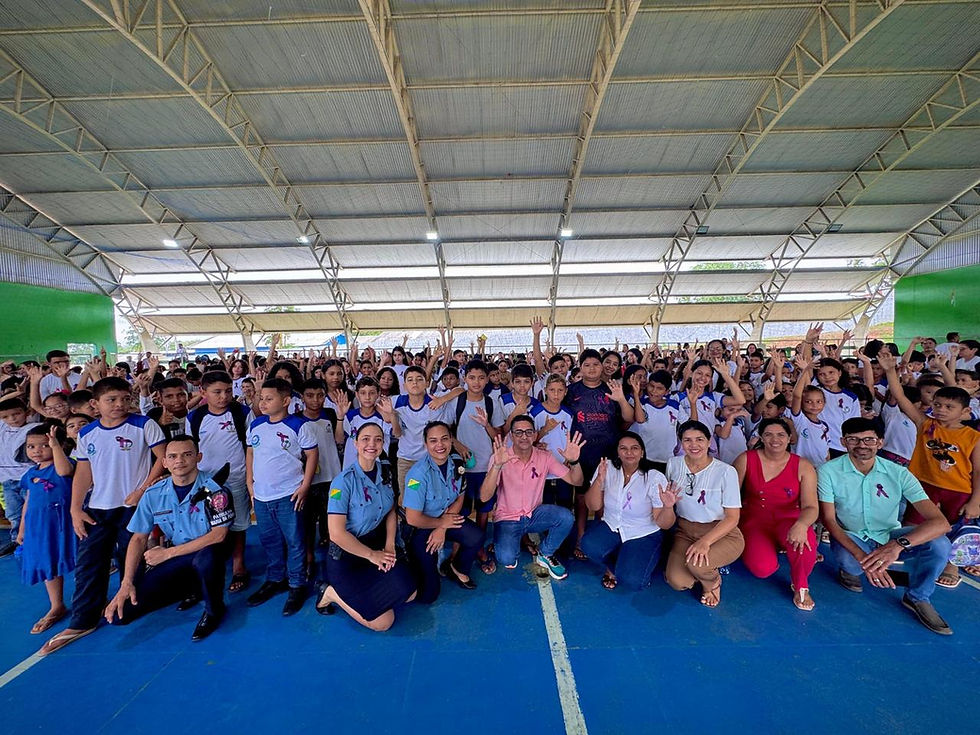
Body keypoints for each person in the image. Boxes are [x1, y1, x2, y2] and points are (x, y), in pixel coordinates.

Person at [40, 376, 166, 656]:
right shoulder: (87, 434)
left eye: (124, 398)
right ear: (95, 405)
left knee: (130, 561)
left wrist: (142, 490)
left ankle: (131, 603)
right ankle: (83, 619)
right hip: (98, 507)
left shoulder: (144, 425)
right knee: (89, 563)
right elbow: (83, 472)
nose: (119, 405)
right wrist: (76, 508)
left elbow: (163, 457)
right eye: (111, 400)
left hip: (133, 505)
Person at [818, 417, 954, 635]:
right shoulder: (828, 471)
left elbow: (941, 523)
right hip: (852, 536)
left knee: (940, 544)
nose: (862, 445)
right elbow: (829, 520)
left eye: (869, 439)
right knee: (848, 561)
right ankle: (855, 569)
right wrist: (864, 559)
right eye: (854, 439)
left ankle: (917, 596)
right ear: (843, 442)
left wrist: (897, 546)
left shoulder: (899, 472)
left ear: (880, 442)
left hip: (889, 535)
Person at [103, 435, 234, 641]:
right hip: (178, 555)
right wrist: (126, 583)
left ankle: (214, 610)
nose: (179, 461)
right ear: (164, 462)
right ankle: (192, 587)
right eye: (172, 456)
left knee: (206, 559)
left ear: (198, 457)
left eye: (187, 455)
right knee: (122, 616)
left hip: (209, 550)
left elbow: (219, 535)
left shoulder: (215, 490)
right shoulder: (153, 493)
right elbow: (138, 539)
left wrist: (167, 553)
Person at [878, 350, 979, 588]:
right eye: (938, 404)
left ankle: (951, 565)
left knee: (955, 529)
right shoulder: (925, 423)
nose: (941, 409)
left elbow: (978, 471)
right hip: (922, 486)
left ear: (965, 412)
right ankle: (912, 564)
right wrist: (891, 370)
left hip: (957, 490)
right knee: (914, 526)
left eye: (949, 406)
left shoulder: (973, 437)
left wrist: (976, 500)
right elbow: (901, 397)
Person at [316, 423, 416, 631]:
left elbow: (390, 509)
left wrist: (389, 545)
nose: (372, 444)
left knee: (410, 592)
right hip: (348, 558)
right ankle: (331, 593)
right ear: (355, 444)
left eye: (378, 439)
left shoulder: (385, 472)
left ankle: (370, 592)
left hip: (377, 548)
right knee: (383, 623)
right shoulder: (342, 483)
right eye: (365, 439)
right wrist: (372, 555)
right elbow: (336, 533)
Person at [245, 378, 318, 616]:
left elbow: (312, 455)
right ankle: (276, 578)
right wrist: (250, 482)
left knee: (295, 540)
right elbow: (250, 453)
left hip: (289, 495)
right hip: (262, 496)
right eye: (261, 398)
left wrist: (305, 485)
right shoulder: (256, 425)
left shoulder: (298, 426)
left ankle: (297, 584)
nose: (263, 403)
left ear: (285, 401)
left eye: (269, 398)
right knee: (269, 539)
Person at [480, 416, 586, 579]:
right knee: (507, 559)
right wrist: (497, 466)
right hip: (508, 518)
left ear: (535, 435)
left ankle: (546, 553)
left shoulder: (545, 457)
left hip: (534, 514)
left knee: (565, 517)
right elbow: (484, 496)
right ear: (511, 436)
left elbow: (576, 481)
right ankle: (505, 540)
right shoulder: (500, 458)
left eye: (529, 432)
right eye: (519, 432)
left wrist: (575, 462)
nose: (524, 436)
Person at [733, 418, 819, 611]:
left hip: (789, 520)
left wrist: (802, 525)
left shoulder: (803, 466)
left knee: (804, 547)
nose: (775, 439)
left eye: (781, 435)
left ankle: (801, 585)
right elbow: (730, 495)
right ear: (761, 437)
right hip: (754, 521)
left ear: (789, 438)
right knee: (763, 569)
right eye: (769, 434)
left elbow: (811, 506)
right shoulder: (746, 458)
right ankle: (773, 548)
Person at [581, 432, 677, 590]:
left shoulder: (654, 477)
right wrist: (599, 480)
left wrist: (668, 506)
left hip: (642, 532)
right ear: (617, 452)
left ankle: (647, 557)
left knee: (632, 581)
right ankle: (616, 565)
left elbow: (664, 524)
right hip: (612, 525)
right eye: (623, 448)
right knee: (588, 546)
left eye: (634, 448)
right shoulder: (607, 468)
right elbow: (593, 506)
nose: (629, 452)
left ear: (642, 452)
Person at [664, 421, 745, 607]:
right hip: (684, 531)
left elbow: (733, 517)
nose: (694, 445)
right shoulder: (673, 464)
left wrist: (705, 542)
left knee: (697, 565)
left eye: (700, 439)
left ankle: (712, 582)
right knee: (677, 581)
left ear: (709, 442)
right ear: (681, 443)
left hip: (721, 533)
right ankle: (703, 568)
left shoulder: (726, 471)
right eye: (687, 440)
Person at [186, 371, 253, 594]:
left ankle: (238, 565)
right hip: (206, 481)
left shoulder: (242, 413)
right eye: (217, 392)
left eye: (227, 391)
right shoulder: (194, 418)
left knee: (239, 524)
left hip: (236, 477)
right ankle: (208, 568)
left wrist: (249, 476)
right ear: (203, 392)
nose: (223, 396)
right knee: (206, 525)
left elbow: (251, 447)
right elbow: (191, 449)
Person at [564, 348, 634, 558]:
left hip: (608, 451)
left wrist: (621, 399)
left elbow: (630, 418)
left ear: (602, 366)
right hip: (583, 452)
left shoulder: (612, 388)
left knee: (607, 495)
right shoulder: (571, 391)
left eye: (596, 364)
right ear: (580, 367)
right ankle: (581, 536)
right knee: (583, 497)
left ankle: (605, 536)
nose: (592, 368)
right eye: (587, 365)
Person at [403, 421, 483, 602]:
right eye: (433, 441)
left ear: (451, 441)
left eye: (444, 439)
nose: (440, 445)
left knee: (476, 536)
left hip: (445, 519)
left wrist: (443, 528)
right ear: (425, 445)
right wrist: (439, 524)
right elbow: (412, 518)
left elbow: (459, 498)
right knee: (429, 595)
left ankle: (456, 567)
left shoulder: (456, 463)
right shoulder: (418, 475)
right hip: (421, 527)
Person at [17, 423, 76, 633]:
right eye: (31, 446)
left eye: (44, 445)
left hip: (63, 523)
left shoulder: (64, 464)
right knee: (47, 562)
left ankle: (88, 597)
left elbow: (64, 471)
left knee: (77, 559)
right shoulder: (30, 474)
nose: (36, 451)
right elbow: (28, 501)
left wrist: (55, 445)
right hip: (39, 526)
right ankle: (56, 605)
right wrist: (23, 528)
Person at [0, 396, 37, 556]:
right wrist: (17, 392)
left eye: (16, 414)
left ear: (27, 412)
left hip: (27, 478)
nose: (12, 419)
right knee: (13, 513)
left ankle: (34, 540)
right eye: (6, 416)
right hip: (7, 480)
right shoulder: (2, 427)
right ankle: (17, 540)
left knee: (31, 512)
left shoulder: (34, 427)